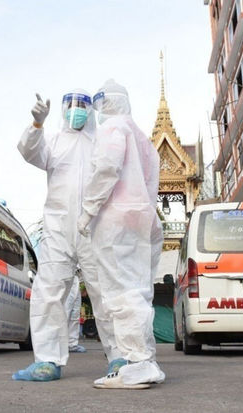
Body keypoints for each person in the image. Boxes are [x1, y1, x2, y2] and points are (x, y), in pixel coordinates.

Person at [77, 79, 165, 389]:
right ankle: (146, 360)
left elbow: (107, 168)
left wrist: (88, 210)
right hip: (143, 219)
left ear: (105, 103)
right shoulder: (141, 137)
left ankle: (137, 362)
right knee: (139, 291)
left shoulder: (112, 128)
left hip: (116, 221)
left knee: (121, 292)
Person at [12, 89, 99, 381]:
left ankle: (121, 358)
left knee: (105, 292)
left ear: (91, 110)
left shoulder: (99, 143)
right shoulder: (54, 141)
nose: (76, 110)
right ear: (62, 110)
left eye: (82, 105)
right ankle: (48, 360)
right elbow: (29, 152)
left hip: (94, 227)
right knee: (48, 293)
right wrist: (37, 124)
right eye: (71, 104)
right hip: (58, 229)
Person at [66, 270, 86, 353]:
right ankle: (60, 344)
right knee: (65, 314)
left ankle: (72, 344)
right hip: (65, 278)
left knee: (75, 315)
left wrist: (83, 284)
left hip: (76, 280)